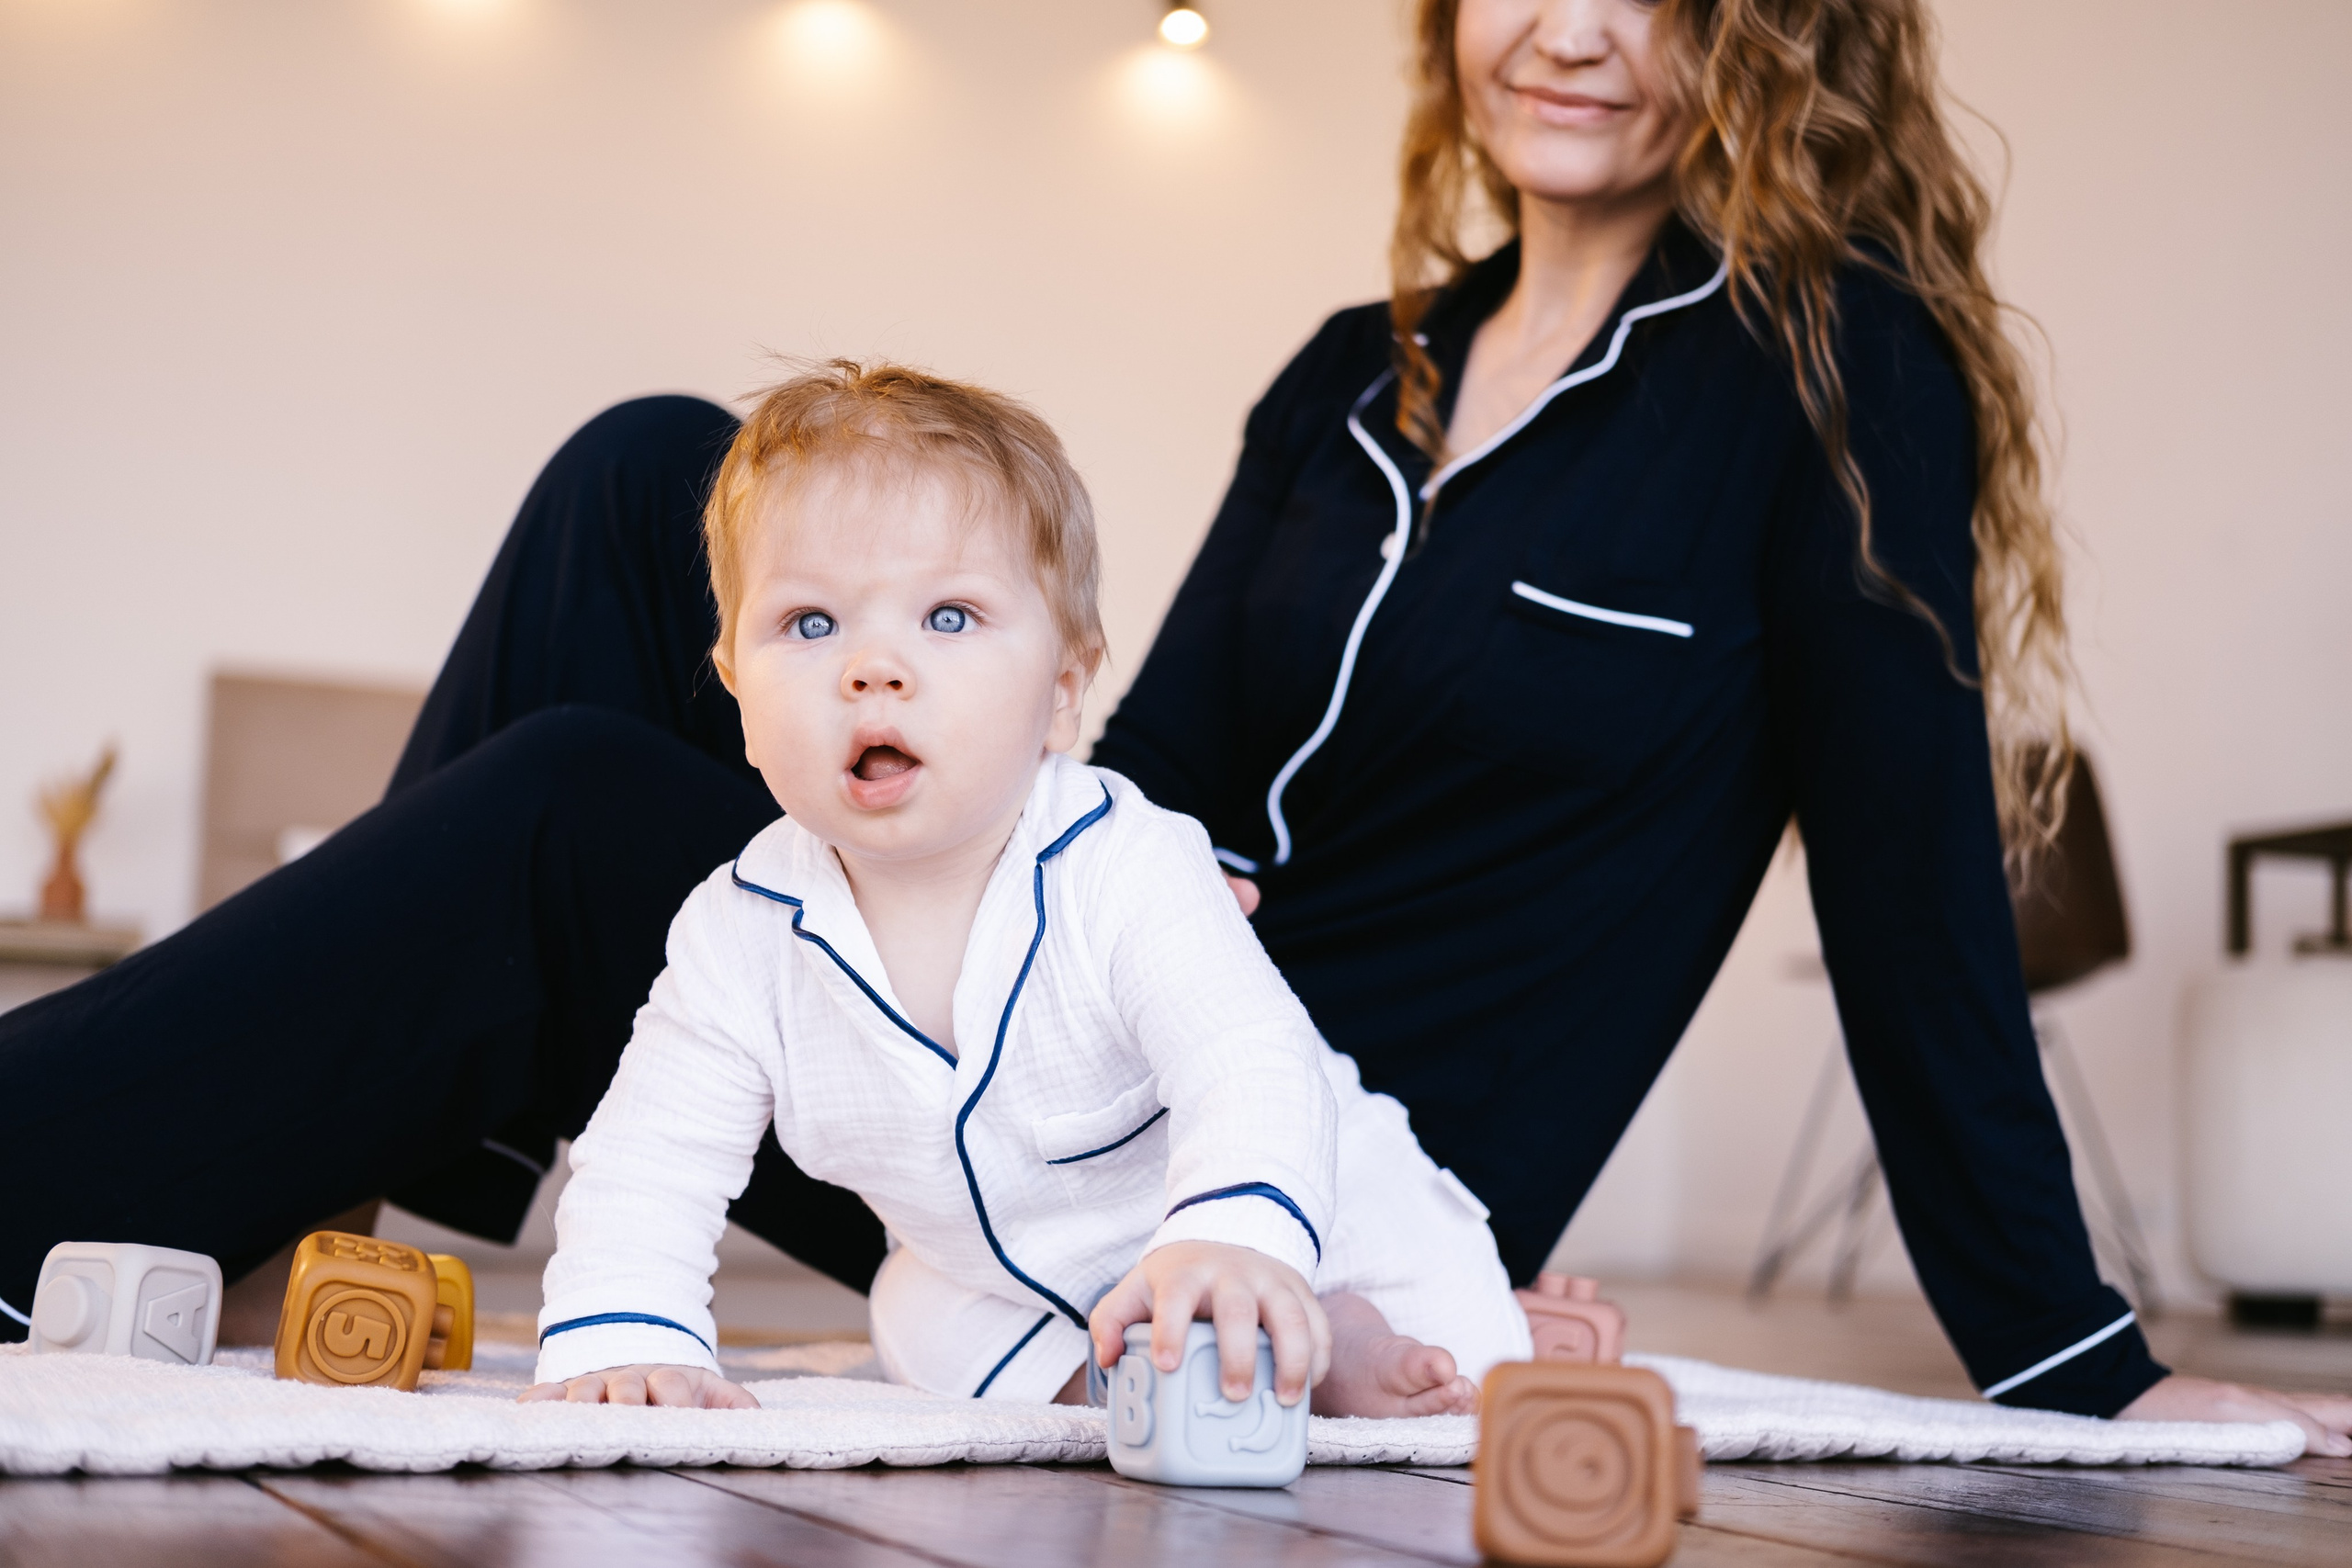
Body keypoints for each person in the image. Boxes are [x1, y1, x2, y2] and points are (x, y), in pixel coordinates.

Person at [2, 0, 2345, 1455]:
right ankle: (350, 1160)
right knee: (650, 475)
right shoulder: (1355, 367)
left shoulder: (1825, 380)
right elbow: (1169, 735)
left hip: (1297, 1150)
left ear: (1764, 21)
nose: (1569, 25)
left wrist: (2072, 1359)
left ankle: (93, 1164)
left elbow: (1912, 860)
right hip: (1055, 1008)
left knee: (580, 819)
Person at [517, 362, 1523, 1415]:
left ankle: (1334, 1339)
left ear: (1061, 694)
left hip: (1308, 1220)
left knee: (1474, 1368)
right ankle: (1122, 1385)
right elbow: (650, 1152)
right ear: (734, 686)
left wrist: (1235, 1236)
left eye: (948, 617)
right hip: (1016, 1281)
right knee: (913, 1313)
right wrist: (624, 1326)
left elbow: (1249, 1060)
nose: (873, 666)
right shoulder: (738, 930)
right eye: (809, 624)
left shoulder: (1123, 861)